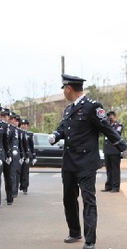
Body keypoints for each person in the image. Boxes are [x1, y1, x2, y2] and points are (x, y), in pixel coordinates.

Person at [48, 74, 127, 249]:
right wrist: (55, 134)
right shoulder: (69, 109)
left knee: (88, 201)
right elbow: (64, 127)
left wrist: (123, 146)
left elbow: (106, 127)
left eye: (64, 90)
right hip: (69, 162)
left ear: (69, 89)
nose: (64, 93)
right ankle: (74, 232)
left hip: (86, 162)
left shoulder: (92, 107)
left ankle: (90, 241)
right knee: (69, 199)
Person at [102, 110, 123, 192]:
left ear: (114, 116)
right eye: (108, 116)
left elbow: (116, 134)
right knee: (108, 169)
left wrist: (110, 125)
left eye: (111, 116)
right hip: (107, 150)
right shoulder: (106, 125)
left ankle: (115, 186)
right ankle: (108, 186)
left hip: (115, 150)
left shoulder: (118, 125)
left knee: (115, 169)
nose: (109, 118)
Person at [18, 119, 36, 195]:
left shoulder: (30, 134)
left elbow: (32, 146)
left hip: (28, 155)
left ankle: (25, 187)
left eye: (25, 125)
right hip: (19, 155)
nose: (23, 126)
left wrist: (34, 156)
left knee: (25, 172)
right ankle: (20, 184)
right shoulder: (17, 133)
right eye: (22, 124)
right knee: (19, 171)